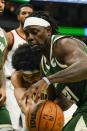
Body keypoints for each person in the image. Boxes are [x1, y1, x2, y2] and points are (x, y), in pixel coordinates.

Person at [22, 11, 87, 131]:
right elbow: (62, 102)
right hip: (83, 106)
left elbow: (85, 66)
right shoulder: (44, 65)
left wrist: (47, 80)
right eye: (27, 34)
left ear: (48, 30)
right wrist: (39, 113)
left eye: (35, 32)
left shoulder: (62, 44)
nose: (30, 37)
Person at [3, 3, 34, 130]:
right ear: (18, 17)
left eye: (30, 14)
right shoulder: (10, 36)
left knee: (28, 124)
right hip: (10, 84)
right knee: (14, 123)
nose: (27, 16)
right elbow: (1, 62)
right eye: (24, 13)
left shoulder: (36, 38)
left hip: (29, 85)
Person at [11, 44, 42, 130]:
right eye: (27, 76)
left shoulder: (50, 72)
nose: (31, 80)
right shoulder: (17, 77)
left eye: (35, 75)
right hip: (33, 115)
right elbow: (24, 106)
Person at [0, 0, 13, 130]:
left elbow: (1, 67)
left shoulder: (3, 33)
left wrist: (3, 87)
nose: (1, 5)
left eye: (3, 1)